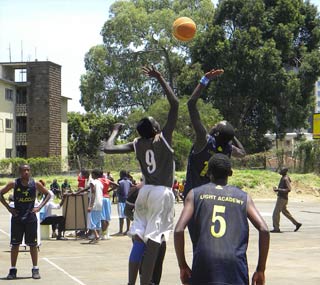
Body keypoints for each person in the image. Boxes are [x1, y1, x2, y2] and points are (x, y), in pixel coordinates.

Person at [104, 65, 178, 285]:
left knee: (138, 239)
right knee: (154, 241)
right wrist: (160, 78)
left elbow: (108, 149)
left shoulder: (137, 143)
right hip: (161, 192)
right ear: (156, 127)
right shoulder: (162, 140)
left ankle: (130, 282)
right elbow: (175, 104)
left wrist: (115, 131)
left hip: (144, 193)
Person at [174, 154, 270, 285]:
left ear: (208, 173)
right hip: (234, 266)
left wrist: (182, 265)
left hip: (204, 263)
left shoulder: (194, 194)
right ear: (230, 173)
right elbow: (264, 230)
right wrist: (261, 269)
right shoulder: (243, 197)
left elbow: (179, 230)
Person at [183, 68, 246, 200]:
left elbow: (191, 103)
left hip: (193, 195)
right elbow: (242, 153)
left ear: (216, 133)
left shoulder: (204, 140)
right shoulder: (228, 150)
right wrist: (231, 135)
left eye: (217, 125)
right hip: (212, 197)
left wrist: (204, 80)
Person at [0, 164, 51, 280]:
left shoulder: (35, 184)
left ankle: (35, 269)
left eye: (28, 170)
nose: (26, 172)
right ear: (20, 172)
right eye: (24, 170)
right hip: (17, 218)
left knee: (33, 245)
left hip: (30, 218)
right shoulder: (14, 184)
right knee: (15, 245)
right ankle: (12, 270)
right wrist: (9, 208)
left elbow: (48, 194)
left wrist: (39, 207)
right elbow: (0, 193)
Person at [271, 167, 302, 233]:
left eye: (281, 170)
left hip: (282, 199)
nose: (280, 171)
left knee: (275, 213)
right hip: (283, 198)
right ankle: (297, 224)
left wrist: (278, 189)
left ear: (284, 172)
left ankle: (276, 228)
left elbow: (289, 189)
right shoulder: (284, 178)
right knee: (285, 212)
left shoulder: (285, 179)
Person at [114, 170, 133, 235]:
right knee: (127, 215)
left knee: (121, 216)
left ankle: (120, 230)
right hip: (128, 200)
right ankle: (127, 229)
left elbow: (118, 190)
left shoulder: (120, 182)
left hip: (121, 200)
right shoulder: (129, 182)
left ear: (121, 175)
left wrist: (117, 193)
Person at [87, 169, 104, 243]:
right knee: (97, 220)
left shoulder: (92, 182)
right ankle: (96, 236)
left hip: (94, 203)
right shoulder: (100, 182)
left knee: (91, 220)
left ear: (94, 174)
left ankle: (96, 235)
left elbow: (93, 193)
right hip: (100, 202)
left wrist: (90, 205)